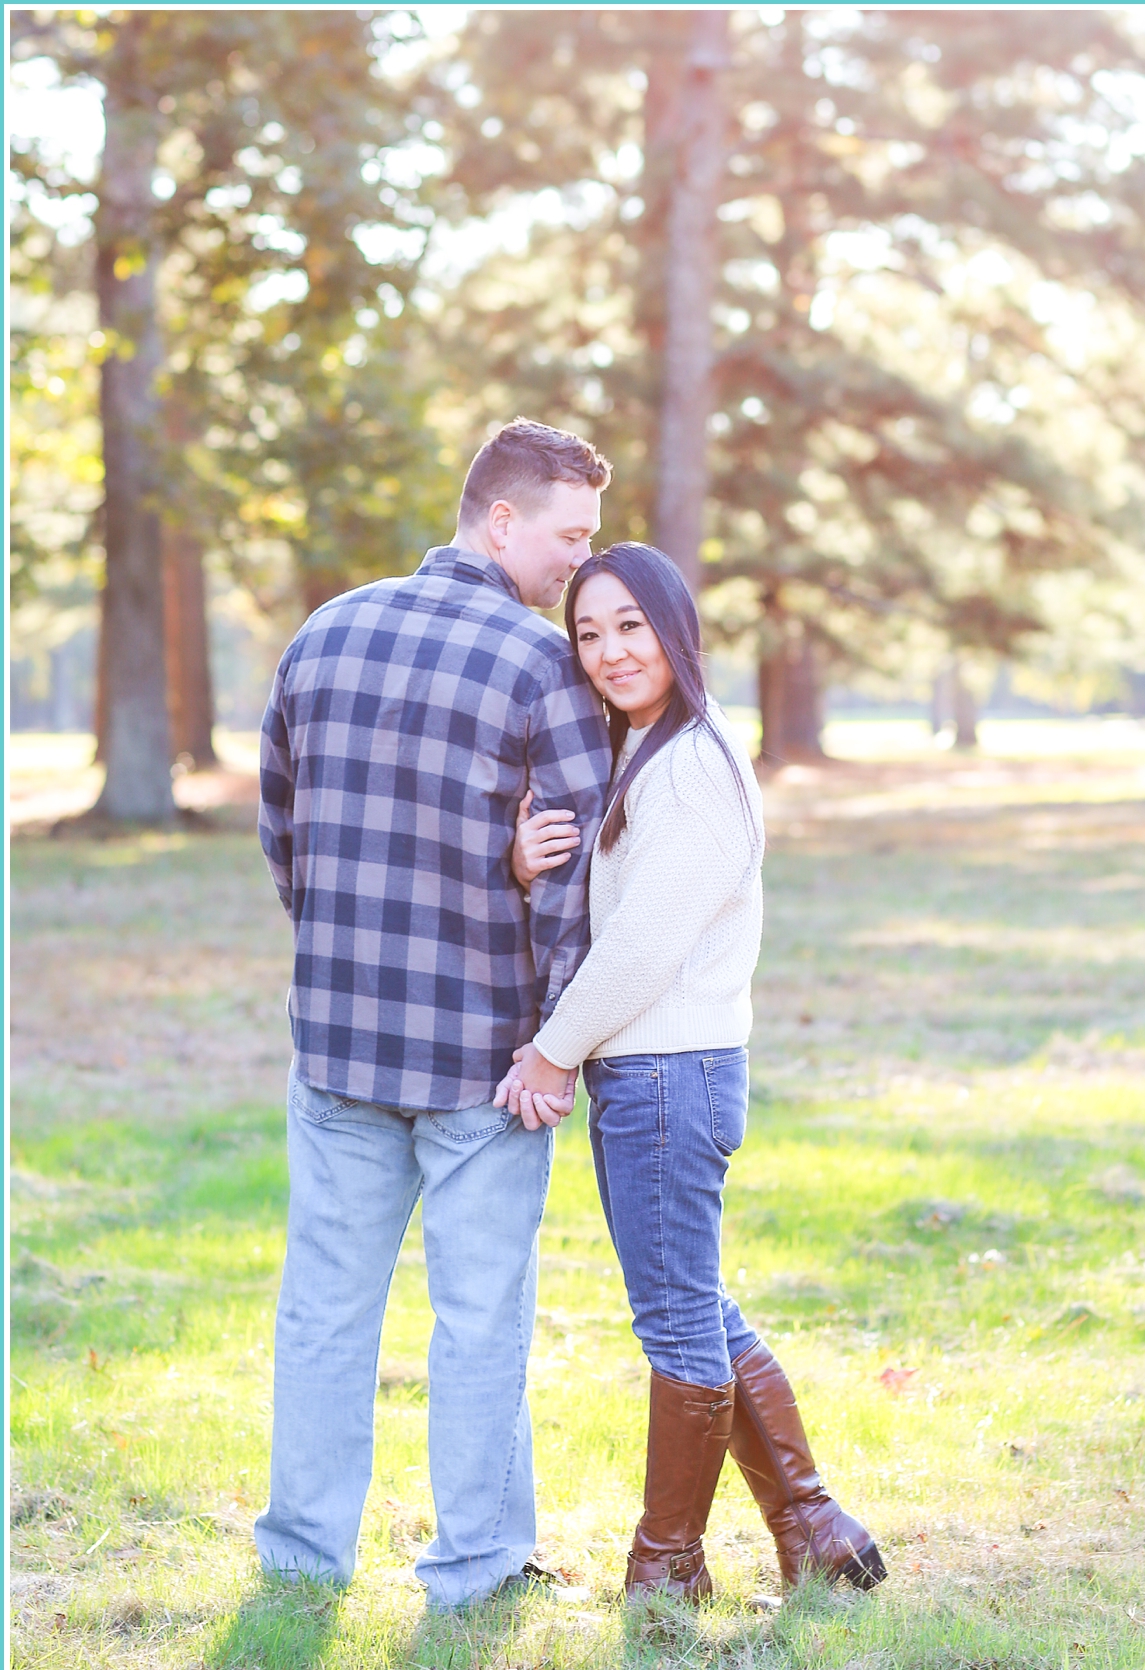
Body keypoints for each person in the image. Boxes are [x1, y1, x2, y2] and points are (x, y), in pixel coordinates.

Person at [255, 418, 614, 1608]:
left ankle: (303, 1565)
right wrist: (553, 1042)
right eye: (569, 536)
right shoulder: (538, 662)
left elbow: (283, 835)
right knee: (476, 1322)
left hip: (340, 1041)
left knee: (322, 1311)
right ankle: (476, 1568)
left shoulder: (324, 631)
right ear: (501, 520)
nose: (578, 562)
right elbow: (569, 879)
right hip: (483, 1058)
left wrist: (348, 946)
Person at [499, 543, 886, 1601]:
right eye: (588, 632)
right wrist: (530, 862)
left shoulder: (693, 764)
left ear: (676, 629)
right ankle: (816, 1528)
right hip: (662, 1075)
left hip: (668, 1076)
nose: (609, 651)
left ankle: (667, 1567)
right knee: (696, 1305)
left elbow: (642, 947)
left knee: (676, 1321)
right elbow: (617, 909)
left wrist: (549, 1050)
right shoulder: (652, 751)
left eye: (630, 626)